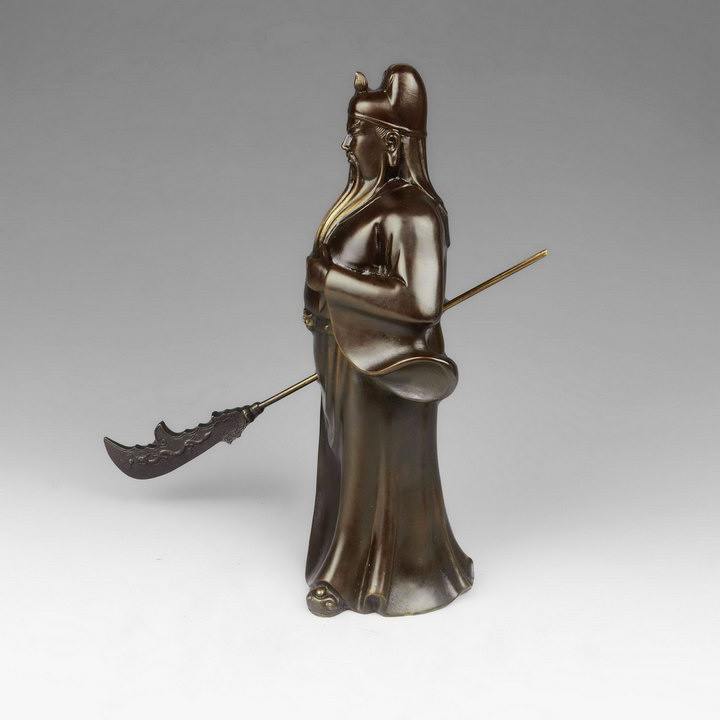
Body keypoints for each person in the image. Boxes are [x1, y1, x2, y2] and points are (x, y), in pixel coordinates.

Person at [303, 65, 473, 617]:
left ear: (392, 143)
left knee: (372, 464)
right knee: (345, 455)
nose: (347, 144)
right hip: (345, 356)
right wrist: (317, 297)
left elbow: (419, 304)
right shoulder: (365, 201)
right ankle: (340, 556)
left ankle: (365, 574)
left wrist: (330, 280)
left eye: (359, 132)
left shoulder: (414, 214)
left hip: (384, 365)